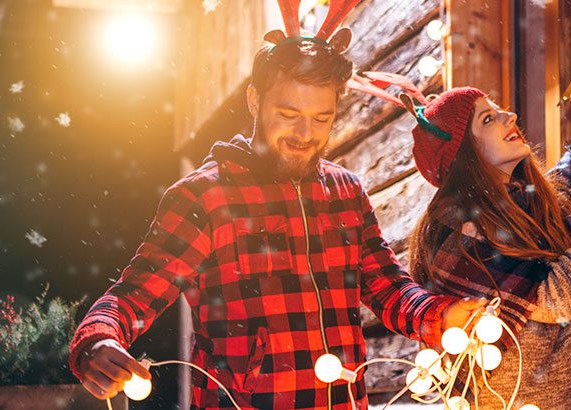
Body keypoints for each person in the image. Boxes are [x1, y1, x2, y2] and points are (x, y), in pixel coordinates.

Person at [67, 24, 484, 410]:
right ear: (254, 101)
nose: (305, 134)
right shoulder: (205, 196)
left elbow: (388, 287)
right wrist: (97, 340)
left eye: (321, 119)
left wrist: (440, 315)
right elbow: (133, 293)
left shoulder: (347, 192)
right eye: (288, 115)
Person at [396, 79, 571, 408]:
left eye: (500, 110)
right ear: (463, 155)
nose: (510, 116)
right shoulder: (452, 237)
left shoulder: (545, 203)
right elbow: (556, 300)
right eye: (488, 119)